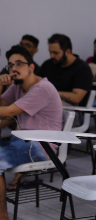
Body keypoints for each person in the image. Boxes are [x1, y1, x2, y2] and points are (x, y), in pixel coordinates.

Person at [0, 45, 63, 219]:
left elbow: (9, 112)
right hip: (22, 141)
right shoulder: (18, 86)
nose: (13, 68)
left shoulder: (42, 88)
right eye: (10, 65)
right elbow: (2, 104)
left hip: (41, 146)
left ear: (31, 67)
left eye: (19, 64)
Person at [38, 34, 93, 107]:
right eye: (50, 52)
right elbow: (36, 82)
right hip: (47, 103)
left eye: (55, 53)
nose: (52, 56)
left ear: (68, 52)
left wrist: (50, 93)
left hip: (72, 111)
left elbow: (76, 98)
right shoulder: (48, 64)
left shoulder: (83, 69)